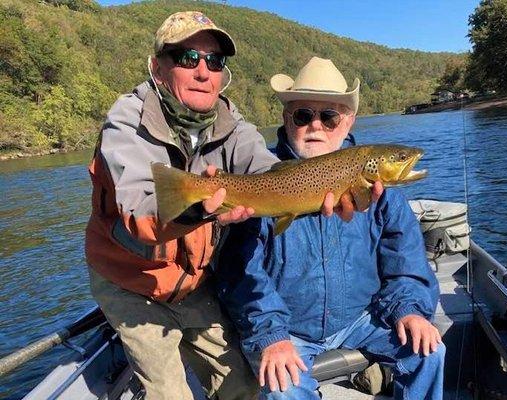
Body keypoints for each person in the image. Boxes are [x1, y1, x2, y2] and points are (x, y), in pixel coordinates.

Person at [85, 12, 358, 400]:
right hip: (131, 283)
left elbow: (268, 171)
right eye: (188, 58)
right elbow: (140, 215)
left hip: (194, 282)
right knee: (169, 394)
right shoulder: (127, 123)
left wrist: (316, 195)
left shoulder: (229, 122)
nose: (203, 72)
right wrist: (202, 208)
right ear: (157, 67)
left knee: (244, 388)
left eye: (215, 61)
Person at [217, 57, 445, 400]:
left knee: (430, 350)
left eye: (329, 116)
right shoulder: (259, 179)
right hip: (287, 329)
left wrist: (410, 309)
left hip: (362, 319)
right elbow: (240, 273)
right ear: (286, 118)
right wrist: (270, 335)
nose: (316, 126)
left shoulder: (380, 194)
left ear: (348, 120)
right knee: (283, 388)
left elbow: (406, 262)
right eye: (303, 115)